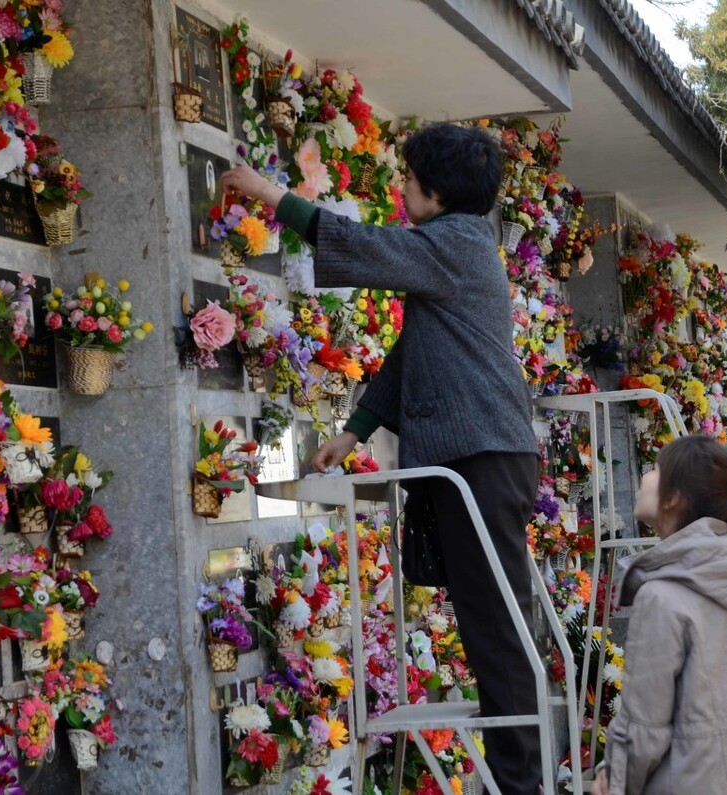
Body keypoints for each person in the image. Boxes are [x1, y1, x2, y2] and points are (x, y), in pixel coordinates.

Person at [222, 125, 543, 794]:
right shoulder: (458, 248)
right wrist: (357, 428)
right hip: (481, 455)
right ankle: (520, 772)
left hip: (480, 458)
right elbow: (413, 354)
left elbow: (368, 248)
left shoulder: (454, 241)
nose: (399, 190)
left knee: (496, 627)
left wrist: (270, 194)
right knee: (492, 622)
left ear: (438, 192)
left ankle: (521, 781)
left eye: (409, 180)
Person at [593, 435, 727, 795]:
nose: (645, 476)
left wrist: (615, 777)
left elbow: (646, 722)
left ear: (674, 496)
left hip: (692, 778)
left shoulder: (663, 594)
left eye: (655, 469)